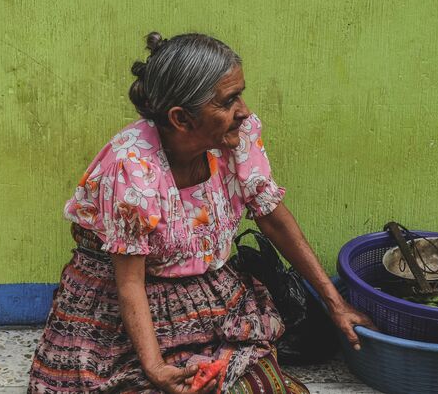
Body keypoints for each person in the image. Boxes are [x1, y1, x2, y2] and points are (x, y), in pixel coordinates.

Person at [29, 32, 374, 393]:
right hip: (125, 300)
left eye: (240, 94)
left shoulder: (234, 141)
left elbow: (272, 216)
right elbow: (130, 282)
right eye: (228, 101)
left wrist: (336, 304)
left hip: (203, 288)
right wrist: (155, 367)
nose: (243, 111)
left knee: (256, 386)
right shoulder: (132, 170)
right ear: (181, 119)